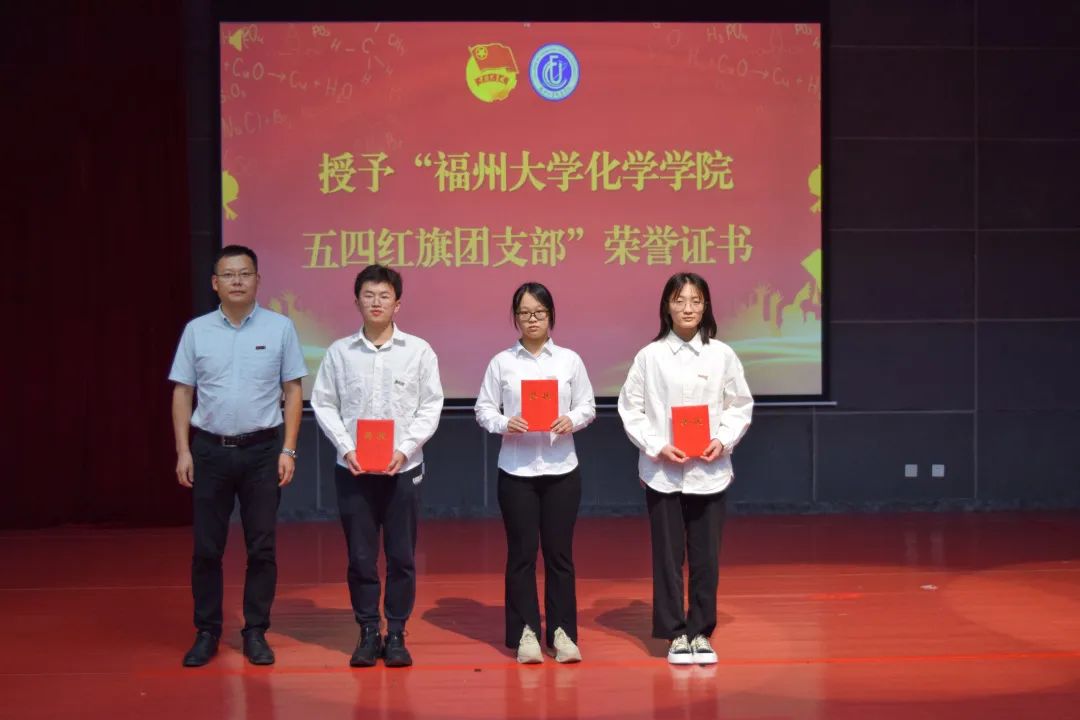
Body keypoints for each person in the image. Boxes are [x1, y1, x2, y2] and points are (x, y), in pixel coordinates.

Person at [169, 244, 307, 667]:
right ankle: (207, 631)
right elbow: (183, 391)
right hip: (210, 451)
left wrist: (288, 449)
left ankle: (255, 631)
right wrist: (183, 450)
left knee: (261, 547)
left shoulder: (280, 328)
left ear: (257, 280)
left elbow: (293, 391)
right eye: (228, 275)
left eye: (245, 274)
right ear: (215, 283)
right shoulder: (197, 331)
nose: (237, 281)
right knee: (206, 549)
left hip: (262, 451)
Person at [617, 272, 753, 665]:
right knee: (667, 557)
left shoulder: (722, 355)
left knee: (706, 558)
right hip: (663, 472)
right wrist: (656, 445)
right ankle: (675, 633)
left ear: (706, 306)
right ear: (667, 306)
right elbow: (631, 408)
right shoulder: (650, 356)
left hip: (710, 471)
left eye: (695, 300)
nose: (688, 308)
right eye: (680, 300)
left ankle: (701, 632)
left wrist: (722, 439)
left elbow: (739, 405)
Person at [311, 265, 444, 668]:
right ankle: (368, 631)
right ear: (357, 302)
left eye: (384, 296)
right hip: (354, 470)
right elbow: (324, 403)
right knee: (361, 557)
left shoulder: (418, 351)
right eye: (368, 295)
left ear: (397, 304)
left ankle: (397, 632)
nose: (376, 302)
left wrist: (405, 449)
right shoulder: (339, 352)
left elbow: (431, 405)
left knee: (402, 556)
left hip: (403, 469)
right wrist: (346, 447)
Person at [475, 282, 596, 664]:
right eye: (525, 313)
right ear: (515, 318)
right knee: (521, 555)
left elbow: (588, 406)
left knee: (560, 556)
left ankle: (562, 633)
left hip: (561, 469)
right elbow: (483, 409)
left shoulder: (569, 361)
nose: (532, 320)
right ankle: (525, 632)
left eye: (539, 313)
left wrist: (571, 419)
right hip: (517, 470)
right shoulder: (501, 362)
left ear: (550, 316)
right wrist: (504, 423)